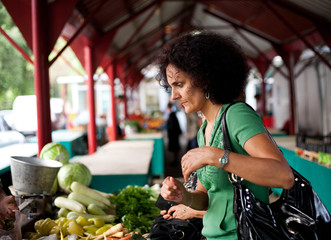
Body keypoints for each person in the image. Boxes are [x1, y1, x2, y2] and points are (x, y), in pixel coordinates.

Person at [155, 31, 294, 239]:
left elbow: (283, 176)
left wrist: (215, 156)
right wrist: (183, 196)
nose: (174, 95)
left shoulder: (236, 115)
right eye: (172, 87)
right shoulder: (205, 129)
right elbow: (206, 198)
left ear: (205, 79)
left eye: (180, 84)